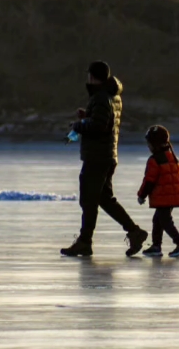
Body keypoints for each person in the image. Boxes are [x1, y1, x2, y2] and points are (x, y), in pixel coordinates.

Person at [60, 61, 149, 258]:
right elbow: (104, 121)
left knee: (88, 200)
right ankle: (134, 232)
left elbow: (99, 126)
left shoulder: (101, 97)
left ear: (92, 76)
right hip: (107, 155)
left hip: (97, 157)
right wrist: (87, 116)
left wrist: (79, 124)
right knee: (104, 199)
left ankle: (84, 242)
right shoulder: (111, 96)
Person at [136, 125, 179, 258]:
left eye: (149, 143)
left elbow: (149, 180)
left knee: (165, 221)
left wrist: (141, 195)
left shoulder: (155, 160)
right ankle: (156, 246)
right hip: (172, 196)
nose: (148, 146)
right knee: (158, 220)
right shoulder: (173, 157)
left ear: (155, 144)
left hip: (163, 197)